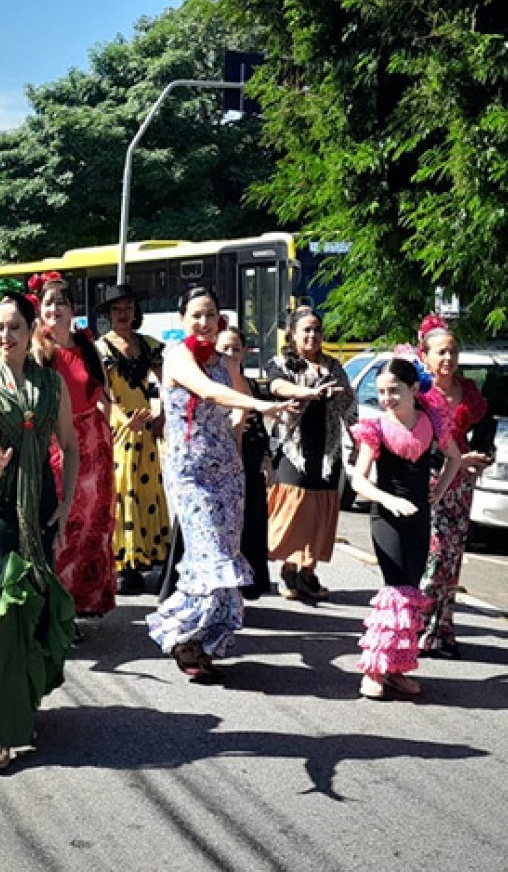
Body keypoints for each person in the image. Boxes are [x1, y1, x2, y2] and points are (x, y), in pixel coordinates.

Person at [0, 289, 79, 771]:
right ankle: (1, 729)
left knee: (32, 597)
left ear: (31, 332)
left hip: (39, 497)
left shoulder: (51, 383)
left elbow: (68, 442)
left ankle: (19, 703)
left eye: (14, 327)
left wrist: (65, 502)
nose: (4, 335)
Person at [143, 289, 289, 681]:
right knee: (208, 554)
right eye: (196, 315)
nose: (204, 323)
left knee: (225, 553)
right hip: (191, 472)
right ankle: (182, 636)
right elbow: (207, 391)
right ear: (182, 319)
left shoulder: (223, 362)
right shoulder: (177, 356)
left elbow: (241, 398)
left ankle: (204, 640)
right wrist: (257, 407)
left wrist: (242, 423)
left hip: (227, 470)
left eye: (211, 315)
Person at [348, 354, 463, 700]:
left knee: (412, 593)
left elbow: (454, 458)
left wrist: (437, 494)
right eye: (382, 392)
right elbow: (358, 481)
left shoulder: (432, 421)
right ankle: (374, 670)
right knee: (395, 590)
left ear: (414, 389)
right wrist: (389, 500)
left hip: (419, 518)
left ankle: (397, 669)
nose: (387, 399)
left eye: (394, 391)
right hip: (387, 518)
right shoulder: (376, 428)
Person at [260, 308, 356, 602]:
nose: (312, 336)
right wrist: (310, 393)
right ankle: (289, 569)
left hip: (328, 452)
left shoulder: (334, 367)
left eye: (316, 330)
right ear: (293, 334)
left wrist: (362, 441)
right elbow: (277, 387)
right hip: (294, 449)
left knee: (320, 513)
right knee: (294, 511)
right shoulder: (280, 364)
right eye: (306, 330)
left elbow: (350, 407)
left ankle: (308, 573)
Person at [35, 276, 116, 618]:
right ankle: (59, 604)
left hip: (94, 440)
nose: (55, 309)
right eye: (49, 303)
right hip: (60, 441)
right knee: (64, 521)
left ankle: (86, 597)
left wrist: (105, 431)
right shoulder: (40, 348)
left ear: (73, 310)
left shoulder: (85, 344)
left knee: (94, 522)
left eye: (62, 303)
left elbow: (104, 391)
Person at [416, 315, 497, 657]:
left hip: (461, 487)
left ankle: (442, 630)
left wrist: (483, 458)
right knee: (432, 558)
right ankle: (417, 627)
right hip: (429, 483)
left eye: (452, 352)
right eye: (440, 353)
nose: (447, 359)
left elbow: (487, 428)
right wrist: (452, 462)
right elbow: (415, 441)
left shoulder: (469, 391)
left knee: (452, 560)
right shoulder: (419, 394)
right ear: (425, 357)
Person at [95, 283, 168, 593]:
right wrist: (125, 421)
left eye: (127, 308)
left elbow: (167, 383)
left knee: (147, 487)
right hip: (119, 426)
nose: (122, 314)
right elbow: (104, 392)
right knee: (122, 490)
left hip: (146, 428)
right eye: (116, 309)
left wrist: (161, 413)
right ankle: (123, 561)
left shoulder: (148, 345)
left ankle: (148, 555)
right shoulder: (101, 349)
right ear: (109, 314)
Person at [217, 327, 274, 599]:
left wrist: (266, 457)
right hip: (221, 461)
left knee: (250, 522)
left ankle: (247, 585)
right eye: (224, 348)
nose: (230, 354)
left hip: (249, 461)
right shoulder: (212, 382)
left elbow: (259, 426)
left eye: (235, 348)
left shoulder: (248, 383)